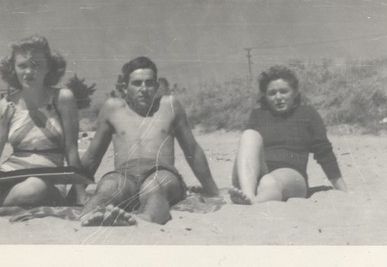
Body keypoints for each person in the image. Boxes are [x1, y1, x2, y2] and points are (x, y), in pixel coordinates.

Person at [0, 35, 86, 217]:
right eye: (22, 65)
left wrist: (81, 197)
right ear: (13, 69)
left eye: (36, 65)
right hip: (8, 174)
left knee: (30, 189)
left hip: (47, 179)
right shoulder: (5, 106)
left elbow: (71, 149)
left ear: (49, 68)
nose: (29, 72)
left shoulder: (62, 98)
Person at [79, 56, 219, 226]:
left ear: (157, 86)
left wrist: (212, 189)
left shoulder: (169, 105)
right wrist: (77, 191)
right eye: (137, 83)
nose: (144, 89)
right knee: (108, 187)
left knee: (153, 187)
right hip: (124, 173)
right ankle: (89, 217)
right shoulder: (112, 108)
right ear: (125, 87)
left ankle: (144, 221)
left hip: (161, 171)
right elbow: (93, 155)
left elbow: (192, 150)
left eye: (149, 83)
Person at [230, 65, 347, 205]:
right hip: (257, 174)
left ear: (295, 92)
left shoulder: (308, 114)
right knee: (249, 135)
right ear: (265, 96)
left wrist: (342, 190)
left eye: (284, 91)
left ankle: (254, 202)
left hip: (291, 175)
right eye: (272, 93)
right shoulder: (258, 115)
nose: (278, 97)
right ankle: (248, 195)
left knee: (270, 181)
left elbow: (324, 153)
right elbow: (249, 151)